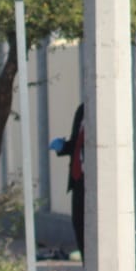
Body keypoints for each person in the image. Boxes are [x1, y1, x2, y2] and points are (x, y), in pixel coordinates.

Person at [51, 103, 86, 260]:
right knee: (79, 226)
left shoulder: (107, 110)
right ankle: (88, 268)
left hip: (97, 182)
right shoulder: (82, 110)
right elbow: (77, 143)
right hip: (78, 180)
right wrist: (63, 147)